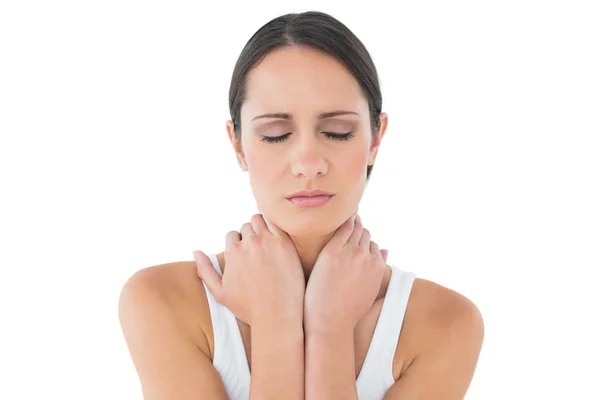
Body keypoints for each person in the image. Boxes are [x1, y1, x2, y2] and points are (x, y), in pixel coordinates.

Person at [118, 10, 484, 400]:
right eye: (276, 135)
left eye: (337, 132)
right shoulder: (161, 300)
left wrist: (330, 328)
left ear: (376, 138)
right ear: (238, 144)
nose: (308, 164)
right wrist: (278, 322)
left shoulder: (446, 323)